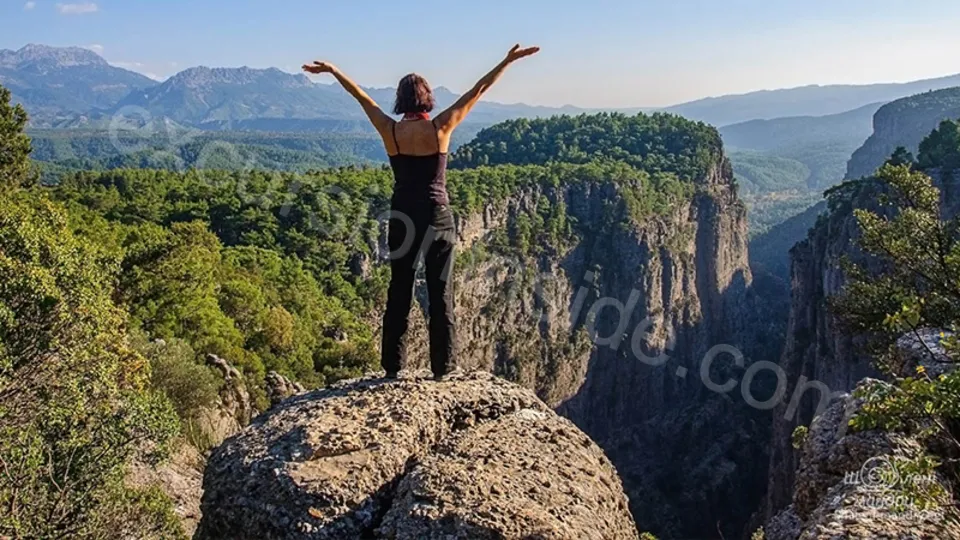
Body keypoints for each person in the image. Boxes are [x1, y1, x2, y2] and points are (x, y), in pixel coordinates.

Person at [302, 44, 541, 381]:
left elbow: (362, 99)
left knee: (399, 287)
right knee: (441, 290)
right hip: (437, 215)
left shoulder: (391, 131)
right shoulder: (440, 128)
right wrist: (507, 61)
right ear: (427, 97)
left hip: (402, 217)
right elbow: (479, 90)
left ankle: (393, 367)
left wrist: (334, 71)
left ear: (400, 100)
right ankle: (443, 368)